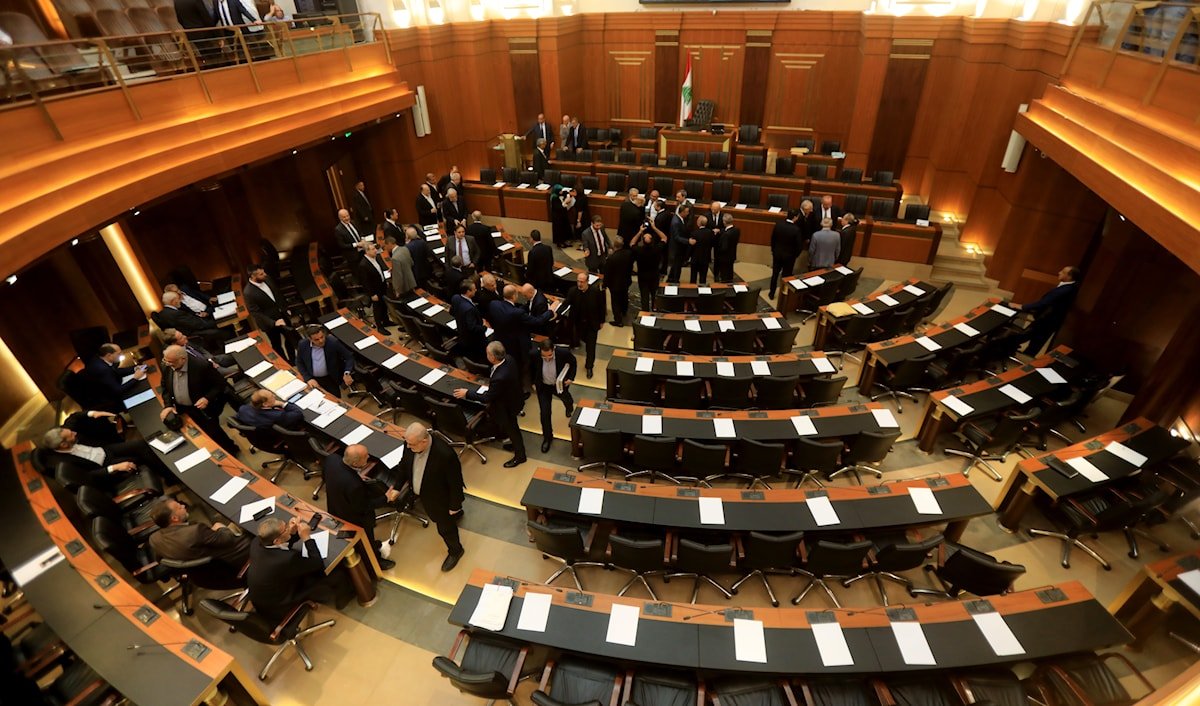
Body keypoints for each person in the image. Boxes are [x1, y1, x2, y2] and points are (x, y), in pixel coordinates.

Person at [247, 516, 351, 624]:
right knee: (337, 574)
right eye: (285, 529)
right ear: (276, 540)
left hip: (264, 598)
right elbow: (317, 563)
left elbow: (282, 546)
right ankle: (344, 599)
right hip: (280, 605)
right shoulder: (286, 560)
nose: (288, 527)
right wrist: (306, 538)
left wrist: (292, 533)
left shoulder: (257, 542)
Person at [395, 424, 465, 571]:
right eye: (407, 443)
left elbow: (455, 483)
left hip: (439, 499)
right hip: (422, 493)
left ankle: (455, 550)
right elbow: (403, 465)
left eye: (412, 444)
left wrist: (455, 505)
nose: (408, 447)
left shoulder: (445, 455)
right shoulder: (410, 444)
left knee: (445, 528)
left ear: (424, 441)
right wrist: (396, 487)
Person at [323, 444, 400, 570]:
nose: (368, 456)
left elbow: (326, 476)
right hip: (354, 518)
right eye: (365, 456)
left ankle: (372, 546)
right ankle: (374, 563)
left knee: (367, 541)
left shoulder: (332, 459)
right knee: (366, 541)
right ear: (355, 462)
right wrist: (386, 498)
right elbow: (364, 506)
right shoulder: (354, 485)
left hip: (335, 507)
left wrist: (355, 476)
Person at [453, 342, 526, 467]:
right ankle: (514, 444)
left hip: (506, 407)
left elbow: (487, 398)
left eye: (487, 353)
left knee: (512, 429)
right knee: (511, 428)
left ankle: (520, 456)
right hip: (514, 398)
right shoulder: (509, 359)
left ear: (493, 357)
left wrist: (467, 393)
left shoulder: (499, 377)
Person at [148, 498, 251, 586]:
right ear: (174, 518)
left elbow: (160, 559)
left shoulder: (154, 539)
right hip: (235, 562)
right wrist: (219, 527)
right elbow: (227, 539)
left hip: (203, 577)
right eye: (179, 507)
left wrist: (209, 534)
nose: (183, 506)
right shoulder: (196, 531)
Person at [160, 344, 239, 453]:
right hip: (181, 408)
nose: (167, 364)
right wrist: (168, 405)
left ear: (182, 359)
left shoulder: (202, 366)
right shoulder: (166, 365)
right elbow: (165, 386)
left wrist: (207, 398)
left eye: (171, 362)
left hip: (202, 408)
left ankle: (231, 450)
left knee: (214, 433)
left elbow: (220, 384)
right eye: (165, 361)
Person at [40, 424, 158, 490]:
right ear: (64, 445)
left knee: (139, 445)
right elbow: (88, 476)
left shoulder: (67, 435)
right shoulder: (65, 463)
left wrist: (92, 413)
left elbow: (74, 417)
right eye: (71, 435)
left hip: (106, 450)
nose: (75, 433)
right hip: (105, 466)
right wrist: (115, 467)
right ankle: (167, 474)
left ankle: (165, 470)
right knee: (139, 458)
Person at [487, 284, 554, 378]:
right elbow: (537, 321)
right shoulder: (517, 313)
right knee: (517, 364)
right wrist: (550, 312)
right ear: (514, 296)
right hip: (515, 345)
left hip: (499, 339)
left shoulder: (493, 304)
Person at [1014, 266, 1082, 355]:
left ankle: (1009, 354)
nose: (1059, 272)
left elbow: (1044, 303)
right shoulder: (1069, 286)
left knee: (1023, 338)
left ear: (1069, 277)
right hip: (1048, 321)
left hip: (1046, 321)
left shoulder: (1067, 289)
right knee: (1033, 344)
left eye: (1063, 272)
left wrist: (1022, 307)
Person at [529, 339, 576, 453]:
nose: (547, 358)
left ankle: (569, 407)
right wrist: (533, 382)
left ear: (553, 349)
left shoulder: (563, 352)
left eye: (550, 355)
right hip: (543, 387)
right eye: (544, 356)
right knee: (544, 413)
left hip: (558, 385)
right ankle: (547, 437)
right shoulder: (534, 354)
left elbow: (573, 362)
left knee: (566, 399)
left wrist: (571, 378)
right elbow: (530, 369)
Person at [244, 264, 296, 361]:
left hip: (281, 314)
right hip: (269, 322)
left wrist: (285, 308)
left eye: (263, 272)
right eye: (261, 274)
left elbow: (277, 293)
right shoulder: (248, 292)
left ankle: (293, 360)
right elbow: (255, 312)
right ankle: (285, 363)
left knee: (290, 338)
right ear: (253, 276)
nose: (265, 274)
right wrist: (273, 323)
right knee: (276, 344)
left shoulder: (267, 278)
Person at [82, 343, 147, 412]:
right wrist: (135, 378)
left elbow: (115, 371)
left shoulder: (101, 358)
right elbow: (118, 390)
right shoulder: (103, 370)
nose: (121, 355)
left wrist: (134, 369)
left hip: (112, 384)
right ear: (109, 355)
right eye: (119, 354)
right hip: (109, 398)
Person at [564, 272, 605, 378]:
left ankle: (589, 366)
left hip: (592, 324)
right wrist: (556, 312)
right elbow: (566, 303)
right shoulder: (573, 291)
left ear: (587, 281)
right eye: (578, 281)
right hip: (578, 324)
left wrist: (602, 321)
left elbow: (601, 307)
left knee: (591, 347)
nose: (579, 284)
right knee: (579, 340)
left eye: (582, 282)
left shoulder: (595, 291)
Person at [296, 326, 354, 394]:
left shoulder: (333, 342)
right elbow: (299, 362)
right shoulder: (303, 344)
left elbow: (349, 357)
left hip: (330, 378)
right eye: (316, 339)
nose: (321, 341)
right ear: (310, 339)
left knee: (335, 397)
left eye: (322, 337)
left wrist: (347, 373)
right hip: (312, 378)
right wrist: (308, 378)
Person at [158, 290, 223, 348]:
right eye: (178, 299)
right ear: (173, 301)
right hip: (193, 333)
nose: (180, 301)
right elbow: (196, 324)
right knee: (221, 329)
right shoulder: (174, 313)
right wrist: (217, 321)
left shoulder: (164, 312)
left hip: (193, 327)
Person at [355, 241, 394, 330]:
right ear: (367, 251)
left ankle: (386, 321)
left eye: (375, 248)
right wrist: (372, 294)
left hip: (381, 286)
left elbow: (379, 271)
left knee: (383, 305)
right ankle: (380, 326)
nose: (375, 250)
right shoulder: (363, 264)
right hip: (375, 290)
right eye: (373, 249)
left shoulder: (375, 258)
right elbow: (365, 282)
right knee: (377, 308)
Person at [450, 280, 487, 364]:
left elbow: (451, 312)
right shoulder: (469, 309)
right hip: (473, 340)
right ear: (468, 291)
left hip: (461, 332)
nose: (476, 290)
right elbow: (472, 328)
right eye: (474, 289)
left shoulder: (455, 298)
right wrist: (484, 327)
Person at [768, 210, 803, 299]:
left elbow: (773, 239)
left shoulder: (778, 225)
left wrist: (773, 250)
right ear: (795, 217)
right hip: (789, 257)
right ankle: (783, 295)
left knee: (775, 274)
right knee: (786, 277)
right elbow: (799, 246)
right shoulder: (796, 229)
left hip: (777, 254)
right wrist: (795, 255)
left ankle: (771, 293)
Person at [237, 389, 304, 430]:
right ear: (265, 404)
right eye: (272, 396)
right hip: (273, 437)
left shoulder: (243, 409)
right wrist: (282, 404)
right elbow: (298, 414)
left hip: (257, 436)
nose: (274, 396)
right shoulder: (278, 415)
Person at [603, 236, 634, 326]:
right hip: (626, 281)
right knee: (624, 297)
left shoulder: (611, 258)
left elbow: (608, 273)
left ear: (614, 246)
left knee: (615, 302)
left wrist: (605, 284)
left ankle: (618, 320)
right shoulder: (628, 254)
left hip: (615, 284)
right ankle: (624, 311)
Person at [633, 226, 665, 311]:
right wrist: (654, 228)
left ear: (643, 241)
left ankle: (645, 312)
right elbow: (664, 238)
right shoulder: (657, 249)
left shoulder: (639, 250)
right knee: (655, 295)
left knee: (644, 297)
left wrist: (640, 232)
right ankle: (654, 310)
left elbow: (632, 243)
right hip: (654, 276)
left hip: (642, 277)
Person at [666, 203, 692, 283]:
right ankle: (675, 281)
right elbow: (676, 237)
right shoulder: (676, 222)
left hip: (679, 247)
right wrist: (688, 241)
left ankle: (670, 278)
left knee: (675, 265)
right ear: (682, 212)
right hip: (677, 248)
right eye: (687, 212)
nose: (688, 213)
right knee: (677, 266)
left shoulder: (679, 219)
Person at [714, 213, 740, 283]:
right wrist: (720, 231)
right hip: (732, 255)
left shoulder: (726, 235)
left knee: (724, 275)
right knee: (730, 272)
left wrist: (718, 252)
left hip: (724, 258)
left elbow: (724, 248)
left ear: (724, 222)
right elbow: (727, 230)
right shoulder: (737, 230)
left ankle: (725, 286)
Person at [689, 214, 714, 285]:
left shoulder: (694, 233)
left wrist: (688, 256)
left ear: (699, 223)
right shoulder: (710, 233)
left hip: (695, 258)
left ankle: (692, 289)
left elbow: (691, 247)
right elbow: (712, 244)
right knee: (703, 278)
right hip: (705, 258)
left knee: (693, 277)